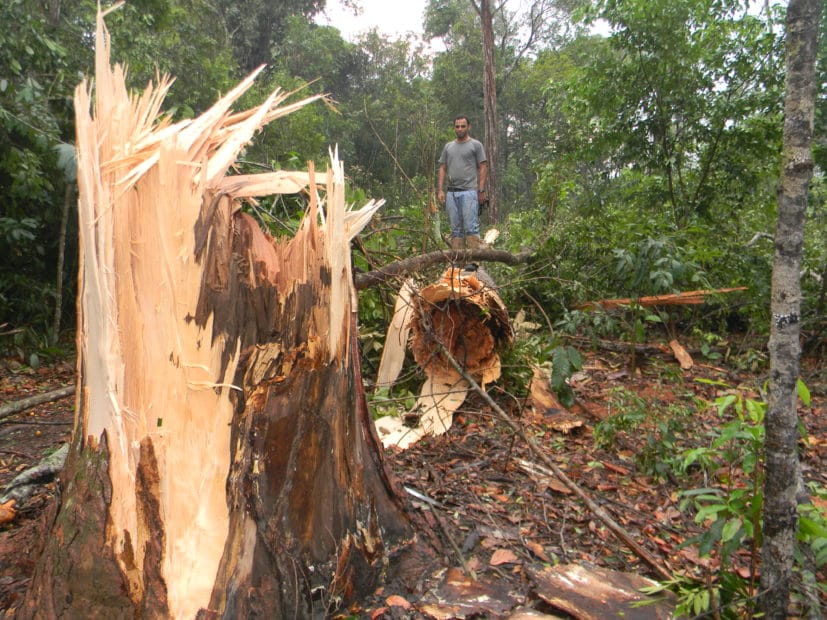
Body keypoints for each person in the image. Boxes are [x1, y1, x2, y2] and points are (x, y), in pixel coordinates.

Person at [437, 115, 488, 250]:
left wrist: (481, 190)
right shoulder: (448, 147)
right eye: (457, 126)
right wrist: (440, 190)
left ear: (468, 127)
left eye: (463, 126)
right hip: (452, 193)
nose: (460, 129)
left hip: (469, 192)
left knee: (471, 227)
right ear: (454, 128)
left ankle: (474, 262)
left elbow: (483, 166)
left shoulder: (475, 145)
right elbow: (442, 167)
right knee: (456, 229)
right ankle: (457, 263)